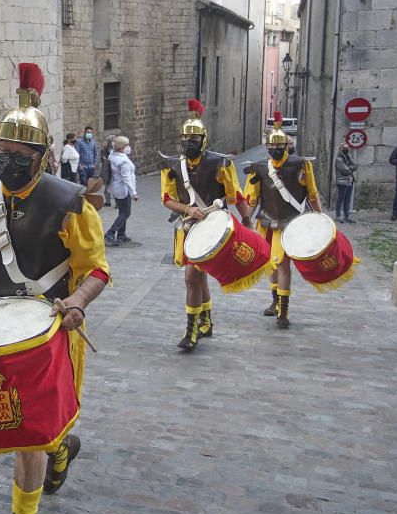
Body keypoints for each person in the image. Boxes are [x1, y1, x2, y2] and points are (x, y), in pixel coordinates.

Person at [0, 63, 110, 514]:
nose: (9, 161)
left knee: (31, 435)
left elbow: (96, 269)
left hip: (48, 327)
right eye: (2, 152)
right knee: (15, 421)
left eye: (21, 155)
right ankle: (62, 447)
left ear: (43, 156)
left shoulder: (71, 203)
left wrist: (77, 301)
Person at [160, 99, 250, 350]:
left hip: (213, 228)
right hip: (189, 227)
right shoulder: (172, 166)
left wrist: (247, 222)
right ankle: (206, 320)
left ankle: (191, 332)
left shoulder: (219, 163)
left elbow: (235, 195)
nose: (189, 142)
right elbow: (167, 199)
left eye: (194, 138)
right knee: (198, 277)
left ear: (203, 139)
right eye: (185, 138)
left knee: (192, 277)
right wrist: (188, 209)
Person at [242, 113, 323, 329]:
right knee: (271, 263)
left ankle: (283, 310)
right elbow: (252, 198)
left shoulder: (301, 165)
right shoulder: (259, 167)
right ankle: (275, 301)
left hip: (290, 223)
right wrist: (245, 220)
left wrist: (320, 218)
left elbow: (312, 194)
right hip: (266, 221)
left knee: (283, 264)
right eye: (271, 146)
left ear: (286, 146)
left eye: (278, 146)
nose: (274, 150)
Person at [104, 136, 138, 246]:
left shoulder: (113, 155)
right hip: (123, 189)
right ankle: (110, 233)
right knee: (125, 213)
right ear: (120, 147)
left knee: (122, 212)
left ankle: (121, 234)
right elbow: (126, 178)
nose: (128, 147)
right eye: (126, 145)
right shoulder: (122, 161)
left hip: (116, 187)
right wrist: (133, 192)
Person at [334, 142, 358, 223]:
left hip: (350, 181)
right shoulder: (339, 159)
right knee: (340, 199)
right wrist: (351, 168)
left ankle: (347, 216)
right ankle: (338, 216)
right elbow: (346, 171)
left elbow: (356, 165)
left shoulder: (348, 158)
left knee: (347, 199)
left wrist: (349, 160)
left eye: (347, 148)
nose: (346, 149)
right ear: (341, 149)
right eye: (345, 148)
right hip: (342, 181)